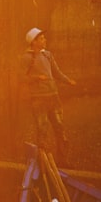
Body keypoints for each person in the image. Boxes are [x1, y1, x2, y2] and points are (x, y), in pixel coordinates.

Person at [22, 27, 76, 165]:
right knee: (42, 130)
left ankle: (63, 161)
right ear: (33, 42)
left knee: (59, 127)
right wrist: (37, 78)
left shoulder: (48, 55)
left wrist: (67, 80)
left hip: (53, 96)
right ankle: (43, 164)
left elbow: (56, 72)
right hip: (38, 99)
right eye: (41, 39)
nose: (44, 40)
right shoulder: (27, 57)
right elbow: (22, 78)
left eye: (44, 38)